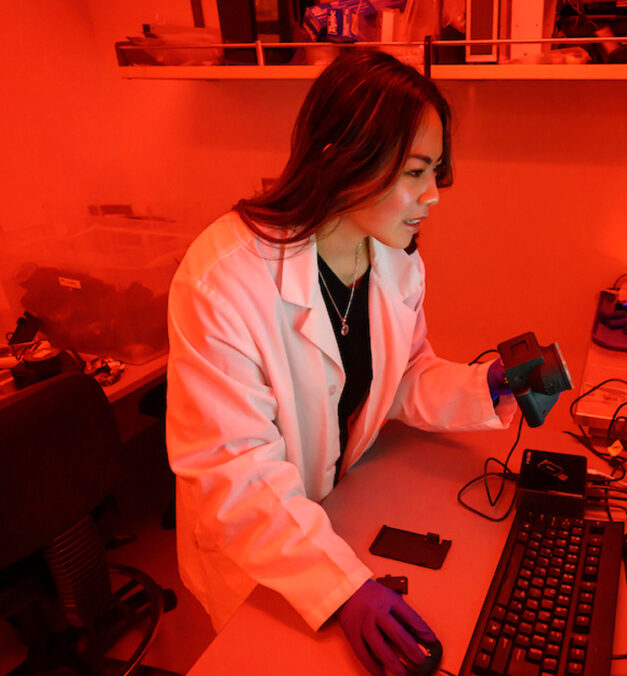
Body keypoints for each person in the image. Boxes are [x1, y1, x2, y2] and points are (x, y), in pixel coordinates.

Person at [165, 49, 515, 675]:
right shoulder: (222, 282)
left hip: (335, 507)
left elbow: (401, 373)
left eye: (435, 171)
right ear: (340, 157)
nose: (433, 195)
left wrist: (481, 386)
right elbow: (236, 476)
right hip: (256, 557)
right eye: (415, 171)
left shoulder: (393, 255)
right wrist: (342, 587)